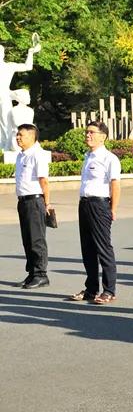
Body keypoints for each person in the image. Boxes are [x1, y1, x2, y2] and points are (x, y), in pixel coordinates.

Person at [71, 121, 121, 305]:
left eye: (92, 132)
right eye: (87, 132)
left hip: (99, 205)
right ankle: (91, 289)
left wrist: (113, 209)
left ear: (103, 136)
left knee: (103, 248)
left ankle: (109, 290)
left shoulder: (109, 158)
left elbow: (115, 185)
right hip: (84, 204)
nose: (88, 135)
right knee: (87, 249)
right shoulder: (88, 156)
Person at [14, 124, 51, 289]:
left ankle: (41, 275)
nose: (17, 138)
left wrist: (47, 203)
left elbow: (44, 181)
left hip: (35, 201)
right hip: (23, 201)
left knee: (36, 239)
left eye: (21, 135)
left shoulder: (38, 155)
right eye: (17, 135)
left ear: (32, 136)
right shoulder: (21, 155)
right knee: (27, 239)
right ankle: (32, 273)